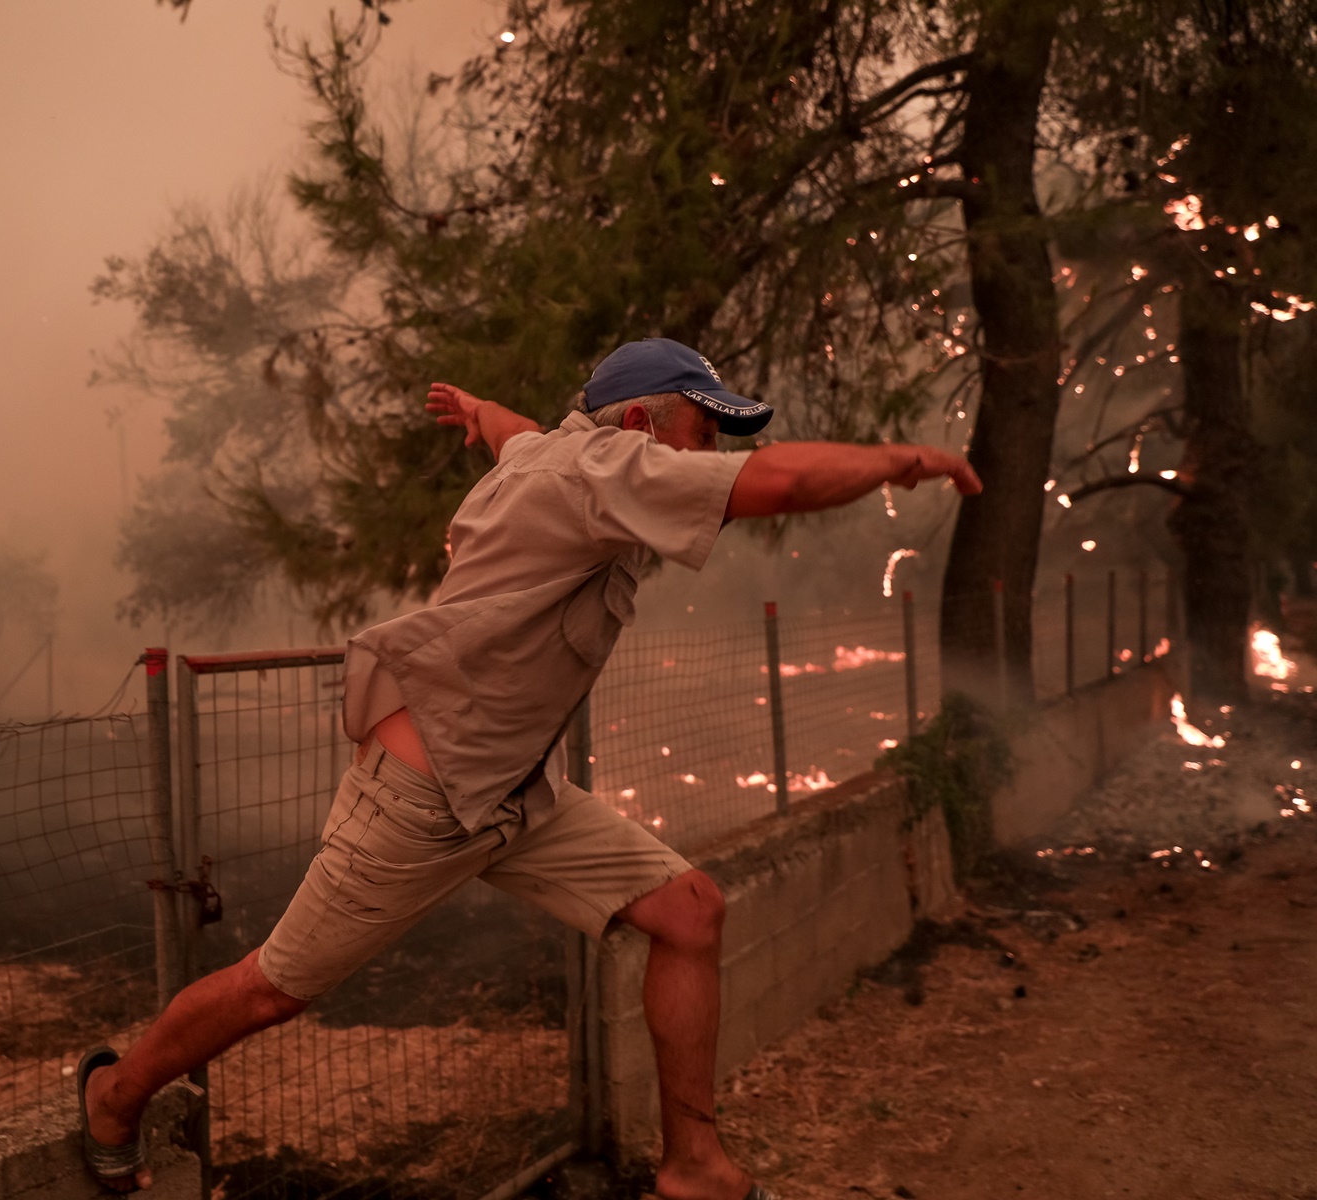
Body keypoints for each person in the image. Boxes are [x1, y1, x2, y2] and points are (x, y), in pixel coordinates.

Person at [77, 338, 982, 1199]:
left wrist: (477, 409)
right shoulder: (607, 467)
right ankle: (116, 1097)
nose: (712, 453)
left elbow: (518, 431)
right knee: (274, 989)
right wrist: (900, 460)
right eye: (705, 433)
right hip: (423, 802)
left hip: (518, 795)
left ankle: (696, 1167)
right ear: (641, 427)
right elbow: (775, 482)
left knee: (690, 910)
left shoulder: (549, 455)